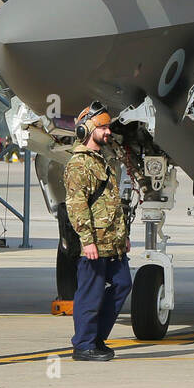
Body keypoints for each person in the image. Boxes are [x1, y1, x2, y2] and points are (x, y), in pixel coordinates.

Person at [63, 101, 132, 361]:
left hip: (112, 241)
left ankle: (97, 338)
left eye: (108, 127)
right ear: (87, 129)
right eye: (102, 127)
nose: (108, 132)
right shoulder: (79, 164)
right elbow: (77, 206)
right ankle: (83, 345)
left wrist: (123, 237)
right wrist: (87, 241)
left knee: (123, 283)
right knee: (90, 295)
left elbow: (112, 203)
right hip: (94, 243)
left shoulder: (101, 160)